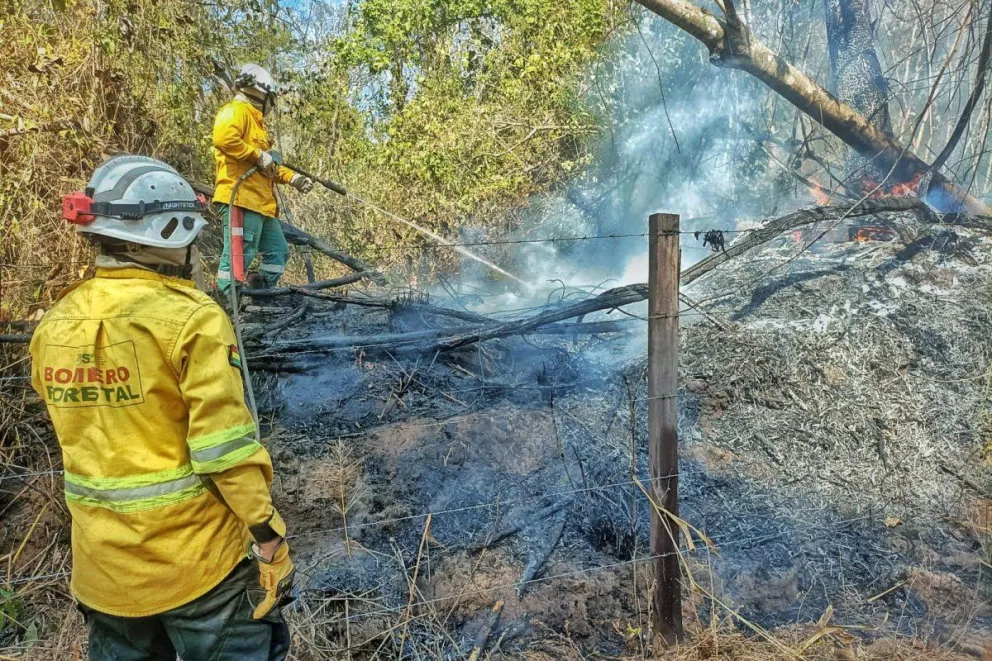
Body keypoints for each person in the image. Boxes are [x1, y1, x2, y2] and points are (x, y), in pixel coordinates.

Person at [32, 154, 295, 660]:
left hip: (105, 574)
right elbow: (225, 451)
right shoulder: (191, 320)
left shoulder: (54, 325)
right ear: (169, 233)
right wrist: (268, 535)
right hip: (197, 569)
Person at [213, 63, 313, 291]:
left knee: (278, 252)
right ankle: (230, 307)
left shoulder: (256, 122)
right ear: (262, 93)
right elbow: (223, 138)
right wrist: (258, 155)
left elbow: (266, 166)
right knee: (239, 258)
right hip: (240, 199)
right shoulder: (236, 110)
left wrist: (293, 178)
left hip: (262, 204)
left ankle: (258, 295)